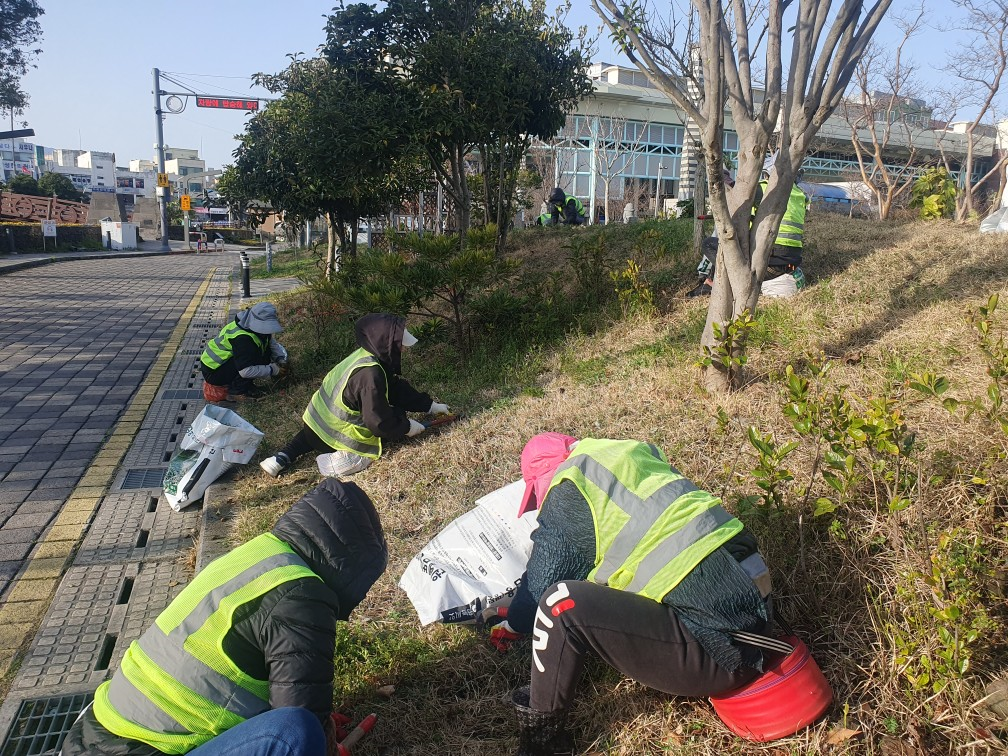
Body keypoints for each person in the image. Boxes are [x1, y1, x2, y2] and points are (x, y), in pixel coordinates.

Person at [483, 434, 775, 756]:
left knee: (560, 603)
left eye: (537, 496)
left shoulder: (569, 488)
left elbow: (540, 587)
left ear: (546, 474)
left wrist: (515, 622)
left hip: (720, 654)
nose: (542, 504)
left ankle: (542, 741)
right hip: (761, 615)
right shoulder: (630, 455)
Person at [61, 478, 389, 756]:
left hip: (97, 730)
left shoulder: (262, 553)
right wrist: (325, 740)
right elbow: (303, 713)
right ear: (351, 570)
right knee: (293, 733)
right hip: (144, 748)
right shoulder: (303, 596)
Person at [259, 313, 449, 479]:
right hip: (337, 436)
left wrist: (429, 406)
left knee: (310, 437)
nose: (403, 349)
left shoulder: (364, 356)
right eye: (399, 344)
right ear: (385, 343)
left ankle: (282, 456)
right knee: (394, 417)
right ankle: (336, 462)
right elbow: (379, 423)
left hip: (314, 423)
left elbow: (395, 389)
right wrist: (406, 427)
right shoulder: (371, 375)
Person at [686, 165, 809, 299]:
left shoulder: (766, 188)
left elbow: (737, 192)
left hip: (768, 263)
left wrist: (722, 174)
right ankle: (712, 282)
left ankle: (715, 284)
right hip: (790, 261)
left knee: (710, 244)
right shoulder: (800, 194)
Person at [200, 302, 288, 402]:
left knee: (261, 353)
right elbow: (245, 371)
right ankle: (237, 392)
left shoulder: (250, 326)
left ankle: (247, 386)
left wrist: (281, 358)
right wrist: (273, 370)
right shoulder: (243, 339)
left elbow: (271, 343)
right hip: (214, 371)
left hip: (223, 364)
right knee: (254, 357)